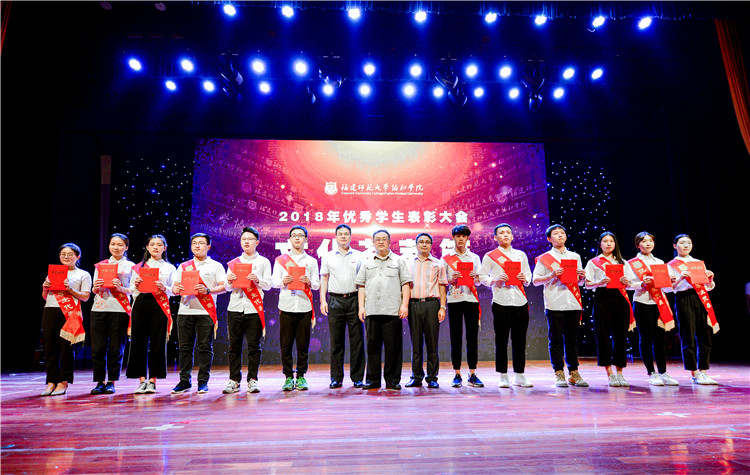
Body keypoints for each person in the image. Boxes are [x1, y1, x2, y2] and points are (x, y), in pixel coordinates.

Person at [532, 224, 588, 388]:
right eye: (556, 233)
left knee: (572, 340)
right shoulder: (544, 258)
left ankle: (574, 372)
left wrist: (582, 277)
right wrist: (551, 275)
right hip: (555, 303)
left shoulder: (575, 256)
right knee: (555, 339)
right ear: (549, 239)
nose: (560, 235)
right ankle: (558, 372)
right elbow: (535, 281)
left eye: (562, 233)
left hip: (573, 302)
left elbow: (580, 283)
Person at [355, 229, 412, 390]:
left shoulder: (399, 261)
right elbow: (361, 286)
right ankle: (372, 380)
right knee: (372, 347)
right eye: (377, 239)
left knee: (393, 348)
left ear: (389, 242)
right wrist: (361, 307)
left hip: (392, 310)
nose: (381, 242)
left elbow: (405, 284)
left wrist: (404, 305)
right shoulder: (367, 263)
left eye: (384, 239)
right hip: (372, 310)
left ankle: (392, 380)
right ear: (373, 242)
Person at [479, 224, 533, 388]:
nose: (505, 235)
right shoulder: (490, 256)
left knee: (520, 340)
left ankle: (520, 375)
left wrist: (525, 278)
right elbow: (482, 276)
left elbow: (528, 275)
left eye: (508, 232)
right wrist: (494, 280)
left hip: (520, 301)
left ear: (512, 236)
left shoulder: (520, 255)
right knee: (501, 340)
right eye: (501, 233)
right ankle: (503, 375)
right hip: (501, 301)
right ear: (495, 238)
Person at [171, 233, 226, 394]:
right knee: (185, 348)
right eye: (194, 243)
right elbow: (175, 287)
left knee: (205, 347)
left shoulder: (215, 266)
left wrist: (208, 290)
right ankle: (184, 381)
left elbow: (224, 287)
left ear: (208, 246)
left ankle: (202, 382)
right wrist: (176, 289)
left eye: (201, 243)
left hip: (205, 311)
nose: (197, 245)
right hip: (185, 310)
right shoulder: (184, 266)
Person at [223, 226, 272, 394]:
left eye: (250, 239)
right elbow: (227, 287)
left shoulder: (264, 262)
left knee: (254, 346)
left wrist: (257, 280)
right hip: (235, 308)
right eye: (244, 239)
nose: (246, 242)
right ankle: (234, 380)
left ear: (256, 242)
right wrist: (229, 281)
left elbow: (269, 285)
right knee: (234, 346)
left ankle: (252, 379)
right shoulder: (234, 263)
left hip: (253, 309)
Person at [584, 232, 637, 387]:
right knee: (603, 336)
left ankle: (620, 373)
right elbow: (587, 285)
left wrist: (626, 282)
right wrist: (600, 282)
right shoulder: (593, 262)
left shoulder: (622, 262)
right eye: (605, 241)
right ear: (600, 244)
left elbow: (631, 284)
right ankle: (609, 374)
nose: (608, 244)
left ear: (615, 244)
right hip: (602, 299)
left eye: (611, 241)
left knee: (621, 336)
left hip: (620, 300)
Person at [272, 225, 320, 391]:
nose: (297, 238)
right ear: (290, 239)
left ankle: (300, 376)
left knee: (302, 344)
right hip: (286, 306)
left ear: (306, 239)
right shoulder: (281, 260)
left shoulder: (311, 261)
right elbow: (274, 282)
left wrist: (309, 282)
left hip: (304, 306)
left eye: (300, 235)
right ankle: (287, 377)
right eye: (294, 235)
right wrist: (283, 281)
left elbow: (317, 285)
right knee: (286, 344)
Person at [627, 232, 678, 386]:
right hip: (642, 302)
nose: (648, 243)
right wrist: (641, 283)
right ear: (638, 245)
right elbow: (627, 285)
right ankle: (651, 373)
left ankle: (663, 372)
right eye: (644, 241)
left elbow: (667, 289)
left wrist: (670, 281)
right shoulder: (631, 263)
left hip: (659, 303)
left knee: (660, 339)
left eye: (650, 241)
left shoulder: (660, 262)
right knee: (645, 339)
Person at [126, 234, 176, 394]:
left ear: (164, 248)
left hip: (159, 305)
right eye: (152, 244)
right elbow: (131, 290)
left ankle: (153, 381)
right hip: (141, 304)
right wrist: (136, 286)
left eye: (159, 244)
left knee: (157, 343)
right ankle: (141, 381)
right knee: (138, 343)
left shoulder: (170, 268)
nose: (155, 247)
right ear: (147, 247)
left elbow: (175, 290)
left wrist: (165, 288)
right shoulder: (138, 267)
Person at [40, 243, 92, 396]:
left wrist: (70, 289)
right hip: (50, 311)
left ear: (78, 257)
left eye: (70, 254)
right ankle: (51, 382)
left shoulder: (83, 274)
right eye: (63, 254)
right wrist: (45, 288)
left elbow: (85, 297)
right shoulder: (53, 272)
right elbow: (45, 297)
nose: (66, 257)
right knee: (50, 348)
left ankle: (63, 382)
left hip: (69, 314)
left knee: (66, 349)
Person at [668, 234, 719, 385]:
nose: (686, 245)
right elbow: (668, 289)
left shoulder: (697, 263)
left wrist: (710, 279)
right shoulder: (671, 265)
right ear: (675, 245)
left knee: (705, 335)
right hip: (683, 299)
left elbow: (707, 287)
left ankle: (703, 371)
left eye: (688, 243)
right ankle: (694, 373)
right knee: (688, 335)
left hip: (700, 298)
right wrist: (681, 278)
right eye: (682, 243)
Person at [319, 224, 365, 389]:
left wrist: (362, 304)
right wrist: (323, 301)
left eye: (346, 234)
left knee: (357, 341)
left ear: (350, 237)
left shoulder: (359, 256)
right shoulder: (328, 256)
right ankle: (336, 378)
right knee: (336, 341)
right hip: (335, 300)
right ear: (336, 237)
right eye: (340, 234)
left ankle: (357, 378)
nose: (343, 236)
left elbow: (363, 282)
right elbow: (324, 278)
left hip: (354, 300)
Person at [89, 233, 135, 395]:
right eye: (113, 244)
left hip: (120, 310)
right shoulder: (101, 265)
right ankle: (99, 381)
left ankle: (111, 381)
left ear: (126, 247)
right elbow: (94, 290)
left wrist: (121, 287)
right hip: (99, 309)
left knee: (116, 348)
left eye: (120, 244)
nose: (116, 247)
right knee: (98, 348)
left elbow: (134, 290)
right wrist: (96, 286)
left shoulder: (131, 266)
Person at [442, 224, 484, 388]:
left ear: (467, 238)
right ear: (453, 238)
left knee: (472, 337)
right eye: (458, 236)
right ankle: (457, 373)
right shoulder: (446, 258)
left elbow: (479, 281)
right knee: (456, 337)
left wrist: (475, 277)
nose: (461, 239)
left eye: (464, 236)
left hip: (471, 299)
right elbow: (443, 281)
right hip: (454, 300)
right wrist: (451, 279)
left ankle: (472, 373)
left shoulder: (474, 257)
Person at [405, 232, 447, 389]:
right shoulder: (408, 263)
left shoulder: (438, 264)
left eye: (427, 242)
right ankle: (416, 377)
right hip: (414, 304)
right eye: (421, 242)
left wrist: (442, 307)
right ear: (416, 244)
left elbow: (442, 287)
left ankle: (432, 377)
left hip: (431, 304)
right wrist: (404, 305)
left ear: (431, 245)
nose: (424, 244)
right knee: (416, 343)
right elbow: (404, 286)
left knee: (432, 343)